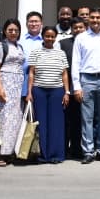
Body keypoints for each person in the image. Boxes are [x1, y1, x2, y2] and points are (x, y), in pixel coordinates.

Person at [71, 7, 100, 164]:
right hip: (86, 80)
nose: (95, 20)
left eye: (98, 18)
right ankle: (88, 151)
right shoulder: (81, 38)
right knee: (87, 118)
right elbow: (75, 63)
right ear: (88, 19)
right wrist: (77, 86)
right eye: (92, 17)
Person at [27, 26, 71, 164]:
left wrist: (67, 92)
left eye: (52, 36)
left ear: (55, 37)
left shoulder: (61, 53)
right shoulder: (36, 52)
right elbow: (31, 73)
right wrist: (29, 92)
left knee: (56, 123)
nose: (50, 39)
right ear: (43, 36)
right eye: (47, 36)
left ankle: (55, 155)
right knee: (42, 123)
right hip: (39, 90)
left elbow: (64, 74)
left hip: (57, 91)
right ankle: (43, 155)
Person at [0, 18, 26, 166]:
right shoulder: (0, 46)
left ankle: (10, 151)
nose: (13, 33)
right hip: (5, 83)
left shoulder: (20, 47)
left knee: (15, 119)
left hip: (18, 85)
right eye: (10, 30)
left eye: (16, 30)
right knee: (2, 119)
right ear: (4, 31)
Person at [59, 19, 87, 159]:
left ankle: (77, 148)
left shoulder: (89, 41)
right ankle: (63, 148)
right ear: (71, 29)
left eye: (81, 27)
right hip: (67, 87)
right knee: (66, 119)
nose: (78, 30)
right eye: (75, 27)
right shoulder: (63, 44)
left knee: (79, 120)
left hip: (86, 86)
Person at [21, 11, 44, 97]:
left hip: (41, 79)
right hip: (23, 79)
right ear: (26, 24)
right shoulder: (20, 40)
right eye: (31, 21)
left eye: (36, 21)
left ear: (41, 24)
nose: (34, 24)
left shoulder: (46, 40)